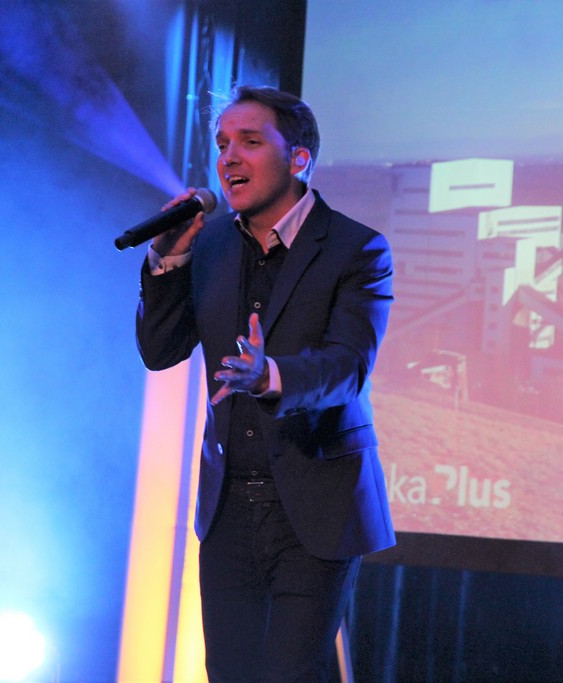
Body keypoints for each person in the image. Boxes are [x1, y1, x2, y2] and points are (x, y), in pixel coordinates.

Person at [135, 85, 395, 682]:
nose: (229, 156)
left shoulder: (357, 249)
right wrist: (166, 262)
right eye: (223, 143)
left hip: (316, 507)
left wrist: (270, 374)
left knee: (289, 674)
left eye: (250, 141)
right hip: (227, 508)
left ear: (299, 157)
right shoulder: (210, 243)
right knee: (229, 672)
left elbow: (347, 367)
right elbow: (159, 350)